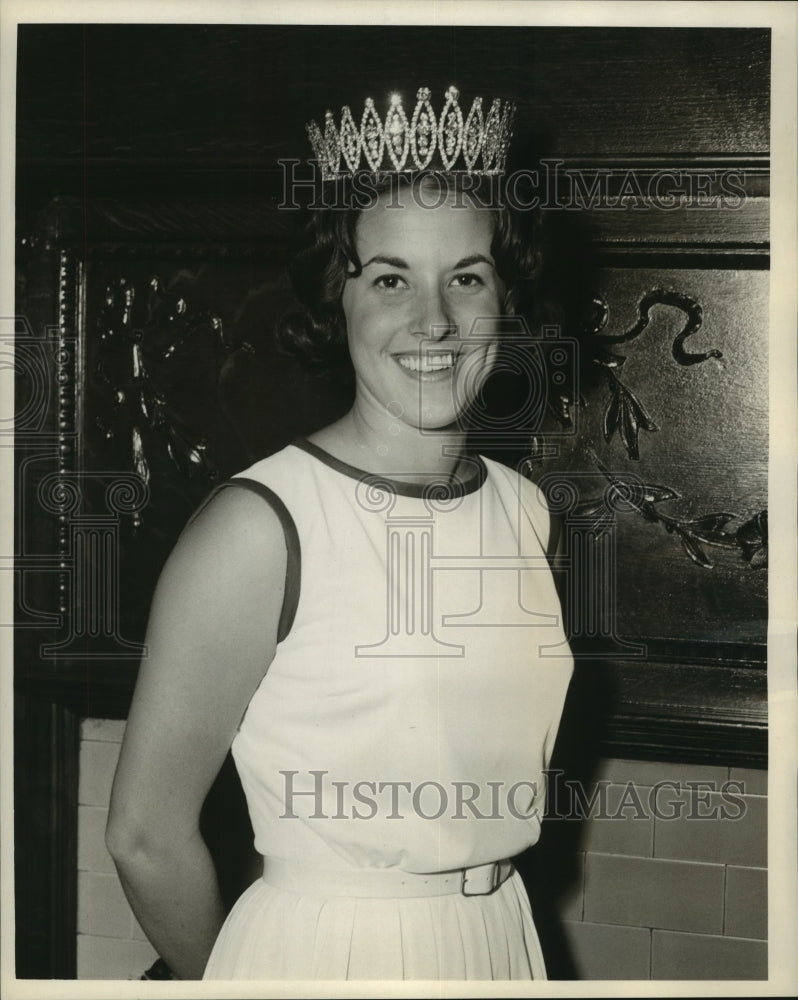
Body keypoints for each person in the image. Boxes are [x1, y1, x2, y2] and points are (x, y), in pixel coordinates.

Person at [106, 86, 574, 981]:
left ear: (505, 300)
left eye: (466, 277)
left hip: (501, 939)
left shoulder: (525, 508)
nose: (433, 320)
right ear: (339, 298)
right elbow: (143, 837)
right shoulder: (262, 529)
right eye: (390, 278)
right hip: (332, 954)